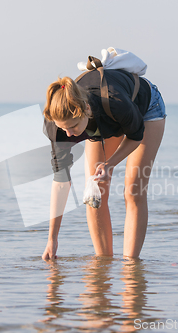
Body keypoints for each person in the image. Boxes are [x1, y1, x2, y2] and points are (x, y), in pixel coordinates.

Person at [41, 68, 166, 260]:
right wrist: (52, 239)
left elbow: (135, 136)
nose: (69, 135)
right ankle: (104, 264)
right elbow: (60, 183)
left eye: (73, 126)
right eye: (62, 127)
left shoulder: (115, 103)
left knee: (133, 190)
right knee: (94, 190)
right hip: (104, 121)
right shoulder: (57, 127)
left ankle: (131, 267)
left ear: (87, 110)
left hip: (144, 108)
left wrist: (110, 164)